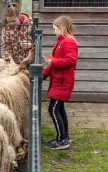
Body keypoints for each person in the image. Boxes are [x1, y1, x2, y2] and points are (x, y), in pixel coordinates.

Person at [43, 15, 78, 150]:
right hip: (59, 80)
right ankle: (64, 136)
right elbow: (56, 60)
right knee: (59, 109)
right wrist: (45, 73)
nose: (54, 31)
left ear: (62, 27)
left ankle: (61, 140)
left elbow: (70, 60)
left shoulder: (69, 42)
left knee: (53, 109)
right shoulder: (61, 41)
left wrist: (53, 61)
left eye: (55, 29)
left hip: (63, 81)